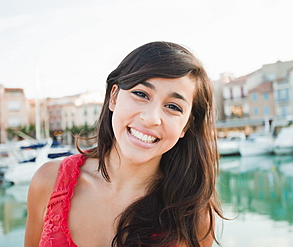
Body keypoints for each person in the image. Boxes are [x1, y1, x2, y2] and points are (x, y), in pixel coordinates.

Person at [25, 41, 225, 247]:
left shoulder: (194, 219)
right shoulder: (48, 181)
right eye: (141, 94)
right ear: (114, 96)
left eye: (173, 106)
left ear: (185, 127)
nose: (151, 118)